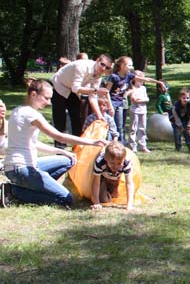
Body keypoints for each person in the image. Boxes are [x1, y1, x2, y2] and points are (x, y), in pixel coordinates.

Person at [1, 79, 107, 208]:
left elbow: (33, 144)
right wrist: (92, 142)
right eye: (46, 98)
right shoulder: (31, 115)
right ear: (33, 94)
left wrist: (61, 151)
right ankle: (14, 192)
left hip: (18, 168)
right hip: (21, 169)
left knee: (68, 160)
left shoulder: (18, 110)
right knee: (66, 199)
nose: (48, 102)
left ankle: (36, 186)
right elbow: (59, 136)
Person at [50, 54, 112, 142]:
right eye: (102, 64)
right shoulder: (82, 66)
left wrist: (99, 116)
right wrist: (95, 90)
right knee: (60, 119)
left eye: (107, 68)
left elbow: (93, 97)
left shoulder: (98, 76)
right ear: (97, 60)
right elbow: (76, 88)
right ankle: (60, 147)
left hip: (73, 90)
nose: (103, 68)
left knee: (77, 118)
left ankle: (77, 146)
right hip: (60, 86)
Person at [91, 140, 135, 211]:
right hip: (103, 176)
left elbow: (129, 183)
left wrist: (129, 204)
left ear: (123, 160)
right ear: (106, 159)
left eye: (119, 163)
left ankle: (114, 187)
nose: (115, 166)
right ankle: (107, 187)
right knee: (103, 199)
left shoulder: (126, 162)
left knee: (115, 195)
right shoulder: (100, 162)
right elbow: (96, 183)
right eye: (112, 163)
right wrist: (96, 202)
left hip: (115, 177)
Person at [105, 56, 135, 144]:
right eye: (129, 65)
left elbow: (142, 79)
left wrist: (158, 82)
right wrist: (110, 106)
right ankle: (109, 144)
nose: (131, 67)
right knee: (110, 125)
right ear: (122, 65)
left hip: (120, 103)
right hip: (111, 103)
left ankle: (120, 144)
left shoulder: (128, 76)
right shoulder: (114, 77)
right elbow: (106, 91)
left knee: (120, 126)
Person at [127, 72, 150, 153]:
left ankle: (142, 145)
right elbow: (134, 99)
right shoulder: (132, 88)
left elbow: (147, 99)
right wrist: (141, 100)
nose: (141, 82)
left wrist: (141, 100)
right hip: (135, 110)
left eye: (142, 80)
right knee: (133, 128)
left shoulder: (143, 88)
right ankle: (132, 145)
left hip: (143, 110)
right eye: (140, 80)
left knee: (142, 128)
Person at [171, 88, 190, 153]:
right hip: (175, 121)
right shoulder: (176, 106)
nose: (185, 100)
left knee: (188, 133)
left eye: (187, 98)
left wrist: (189, 126)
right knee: (177, 133)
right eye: (184, 98)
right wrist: (180, 126)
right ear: (180, 98)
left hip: (185, 119)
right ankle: (178, 147)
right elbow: (176, 117)